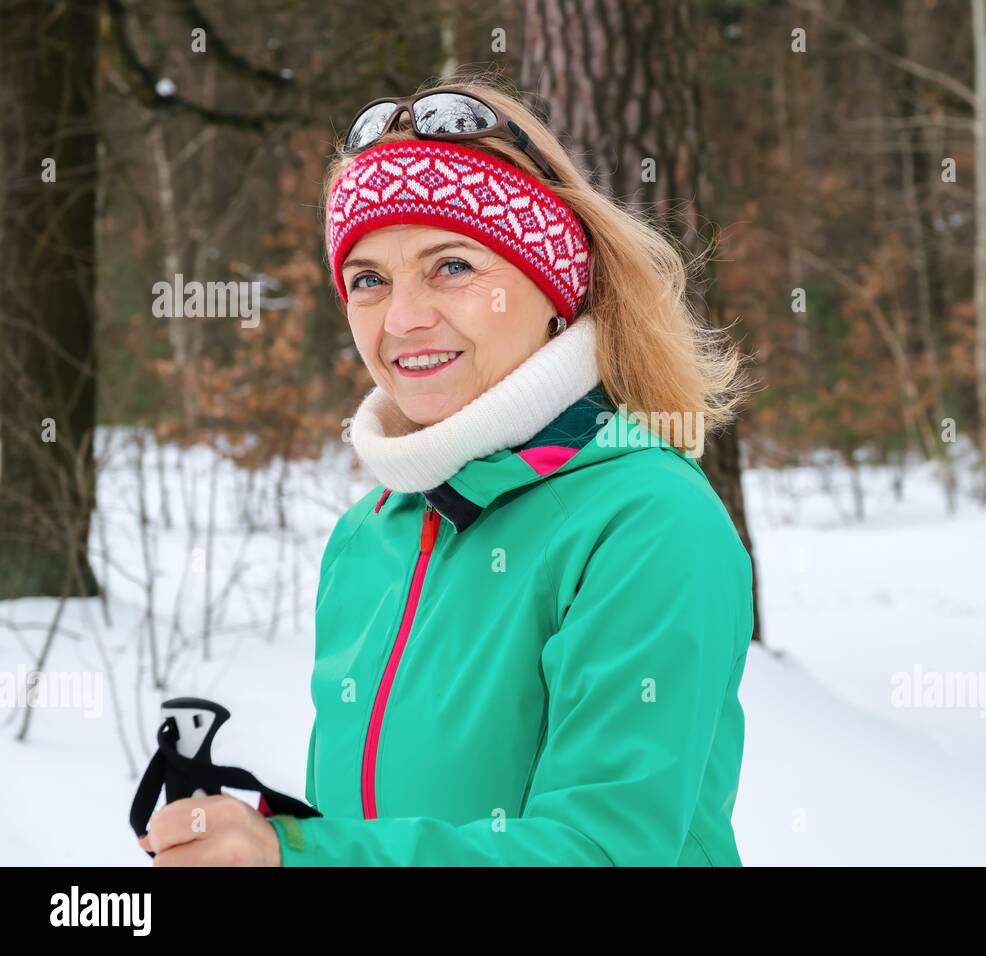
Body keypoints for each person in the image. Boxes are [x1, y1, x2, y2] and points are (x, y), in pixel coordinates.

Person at [140, 76, 755, 867]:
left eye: (452, 267)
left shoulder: (647, 521)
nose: (402, 320)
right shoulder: (371, 533)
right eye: (368, 280)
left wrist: (298, 858)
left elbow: (603, 852)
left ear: (553, 286)